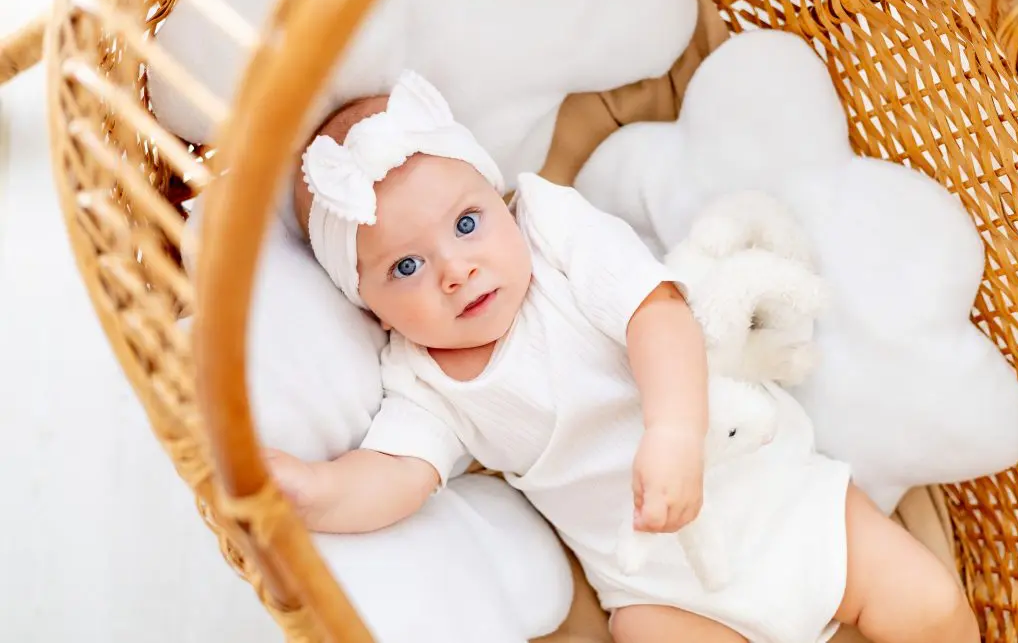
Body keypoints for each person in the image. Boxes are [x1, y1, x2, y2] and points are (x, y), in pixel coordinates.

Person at [266, 70, 979, 643]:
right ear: (366, 303)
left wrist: (671, 432)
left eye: (466, 222)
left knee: (930, 603)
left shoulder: (550, 230)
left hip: (761, 489)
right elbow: (396, 475)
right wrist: (313, 492)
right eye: (406, 267)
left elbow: (656, 313)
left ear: (498, 194)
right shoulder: (419, 378)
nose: (455, 269)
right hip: (656, 587)